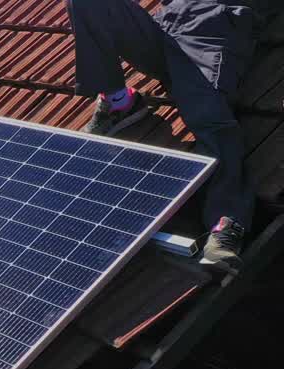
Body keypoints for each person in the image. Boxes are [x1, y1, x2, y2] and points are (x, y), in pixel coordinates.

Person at [66, 0, 264, 270]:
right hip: (169, 24)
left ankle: (227, 223)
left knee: (208, 114)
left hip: (211, 31)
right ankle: (117, 100)